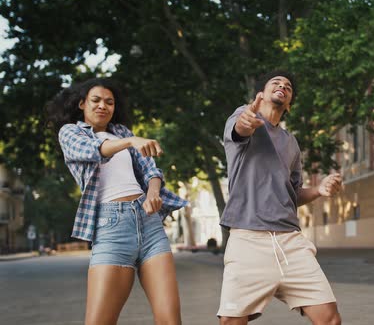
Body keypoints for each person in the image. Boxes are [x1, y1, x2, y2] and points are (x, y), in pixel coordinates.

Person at [46, 78, 188, 325]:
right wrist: (132, 141)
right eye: (96, 100)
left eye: (109, 102)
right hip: (111, 226)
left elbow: (151, 170)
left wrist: (153, 193)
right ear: (82, 104)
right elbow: (94, 150)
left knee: (170, 320)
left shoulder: (121, 132)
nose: (103, 105)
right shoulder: (71, 132)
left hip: (150, 225)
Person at [218, 70, 343, 324]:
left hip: (291, 242)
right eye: (276, 82)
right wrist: (246, 121)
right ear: (260, 94)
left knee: (330, 319)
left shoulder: (291, 143)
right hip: (248, 238)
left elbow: (293, 194)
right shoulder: (243, 115)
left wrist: (320, 190)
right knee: (232, 322)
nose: (283, 86)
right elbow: (240, 129)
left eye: (288, 86)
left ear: (289, 104)